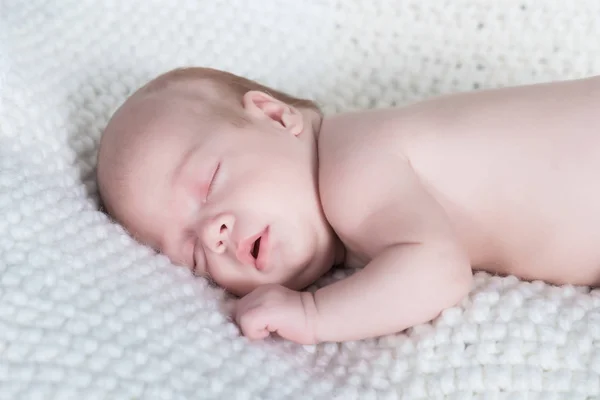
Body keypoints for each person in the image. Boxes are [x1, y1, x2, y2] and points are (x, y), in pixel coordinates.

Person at [96, 67, 600, 345]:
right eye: (191, 254)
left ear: (275, 117)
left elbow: (436, 271)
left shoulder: (350, 161)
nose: (213, 233)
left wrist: (313, 314)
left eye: (209, 183)